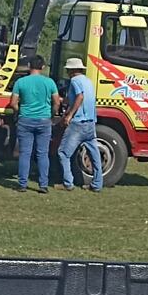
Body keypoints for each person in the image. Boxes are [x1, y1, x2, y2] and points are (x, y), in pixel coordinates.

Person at [8, 55, 61, 194]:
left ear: (29, 66)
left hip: (25, 119)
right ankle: (43, 185)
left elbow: (13, 103)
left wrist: (20, 111)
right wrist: (51, 114)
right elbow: (57, 102)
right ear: (43, 67)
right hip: (44, 120)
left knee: (25, 153)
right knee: (42, 153)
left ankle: (22, 184)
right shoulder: (49, 82)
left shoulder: (21, 82)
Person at [57, 58, 103, 192]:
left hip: (78, 123)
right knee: (94, 154)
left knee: (63, 153)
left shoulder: (74, 81)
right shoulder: (88, 81)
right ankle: (97, 184)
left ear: (71, 70)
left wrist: (69, 115)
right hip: (90, 122)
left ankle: (67, 183)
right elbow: (78, 98)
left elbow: (80, 97)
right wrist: (63, 100)